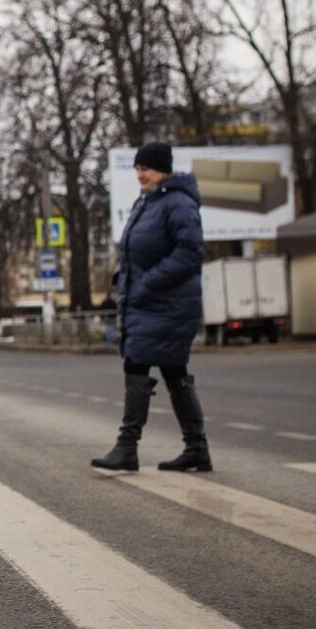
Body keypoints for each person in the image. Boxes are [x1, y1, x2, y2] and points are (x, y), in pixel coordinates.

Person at [91, 142, 212, 473]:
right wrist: (123, 276)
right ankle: (197, 448)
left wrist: (149, 282)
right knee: (174, 372)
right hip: (148, 303)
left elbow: (190, 253)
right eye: (137, 168)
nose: (140, 173)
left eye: (147, 168)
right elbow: (137, 250)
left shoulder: (178, 204)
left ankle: (127, 447)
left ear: (165, 169)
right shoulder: (147, 203)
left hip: (167, 304)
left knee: (137, 365)